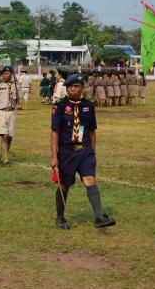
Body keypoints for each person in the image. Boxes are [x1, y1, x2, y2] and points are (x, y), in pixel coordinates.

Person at [50, 74, 116, 230]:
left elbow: (92, 131)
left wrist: (92, 152)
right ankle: (60, 218)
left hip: (85, 151)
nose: (72, 89)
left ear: (82, 88)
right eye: (70, 87)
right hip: (66, 152)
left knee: (90, 180)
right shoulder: (59, 106)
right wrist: (54, 156)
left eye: (76, 86)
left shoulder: (89, 106)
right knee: (65, 186)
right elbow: (54, 133)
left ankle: (99, 217)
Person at [0, 66, 20, 166]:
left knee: (10, 137)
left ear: (11, 74)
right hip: (2, 112)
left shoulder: (16, 86)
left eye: (6, 73)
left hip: (12, 112)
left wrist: (15, 109)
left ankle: (3, 156)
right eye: (3, 74)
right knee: (5, 136)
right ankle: (6, 160)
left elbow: (17, 101)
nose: (4, 75)